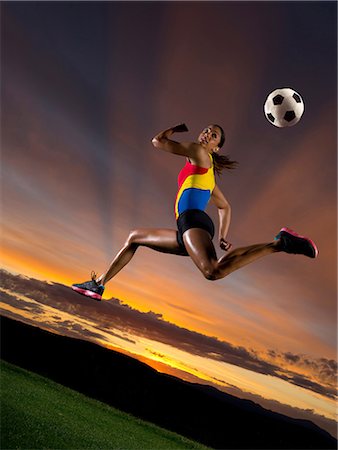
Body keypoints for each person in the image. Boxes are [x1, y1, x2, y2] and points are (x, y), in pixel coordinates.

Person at [72, 123, 318, 301]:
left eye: (213, 135)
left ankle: (280, 243)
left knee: (212, 271)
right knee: (134, 237)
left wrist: (176, 129)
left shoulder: (199, 153)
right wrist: (222, 235)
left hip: (193, 221)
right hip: (187, 227)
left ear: (215, 148)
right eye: (206, 130)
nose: (206, 134)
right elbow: (224, 206)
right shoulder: (208, 178)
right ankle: (98, 285)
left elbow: (157, 142)